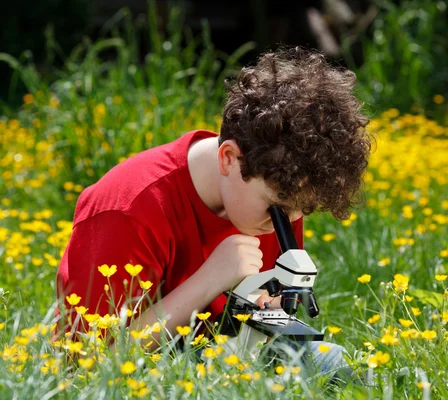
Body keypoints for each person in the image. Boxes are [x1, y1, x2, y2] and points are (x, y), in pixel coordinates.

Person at [55, 47, 372, 380]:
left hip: (229, 356)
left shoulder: (278, 193)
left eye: (303, 208)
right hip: (146, 371)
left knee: (343, 367)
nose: (291, 221)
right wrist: (208, 281)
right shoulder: (129, 209)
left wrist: (270, 305)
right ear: (228, 159)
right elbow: (87, 364)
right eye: (280, 207)